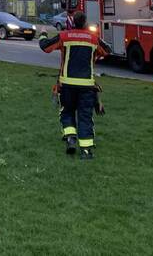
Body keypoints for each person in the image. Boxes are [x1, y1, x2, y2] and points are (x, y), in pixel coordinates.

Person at [39, 10, 111, 159]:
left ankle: (71, 138)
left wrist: (43, 33)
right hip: (87, 86)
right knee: (85, 117)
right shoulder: (93, 38)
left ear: (72, 22)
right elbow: (107, 50)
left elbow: (45, 47)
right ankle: (86, 151)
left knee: (66, 111)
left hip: (66, 85)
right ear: (85, 23)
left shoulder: (64, 36)